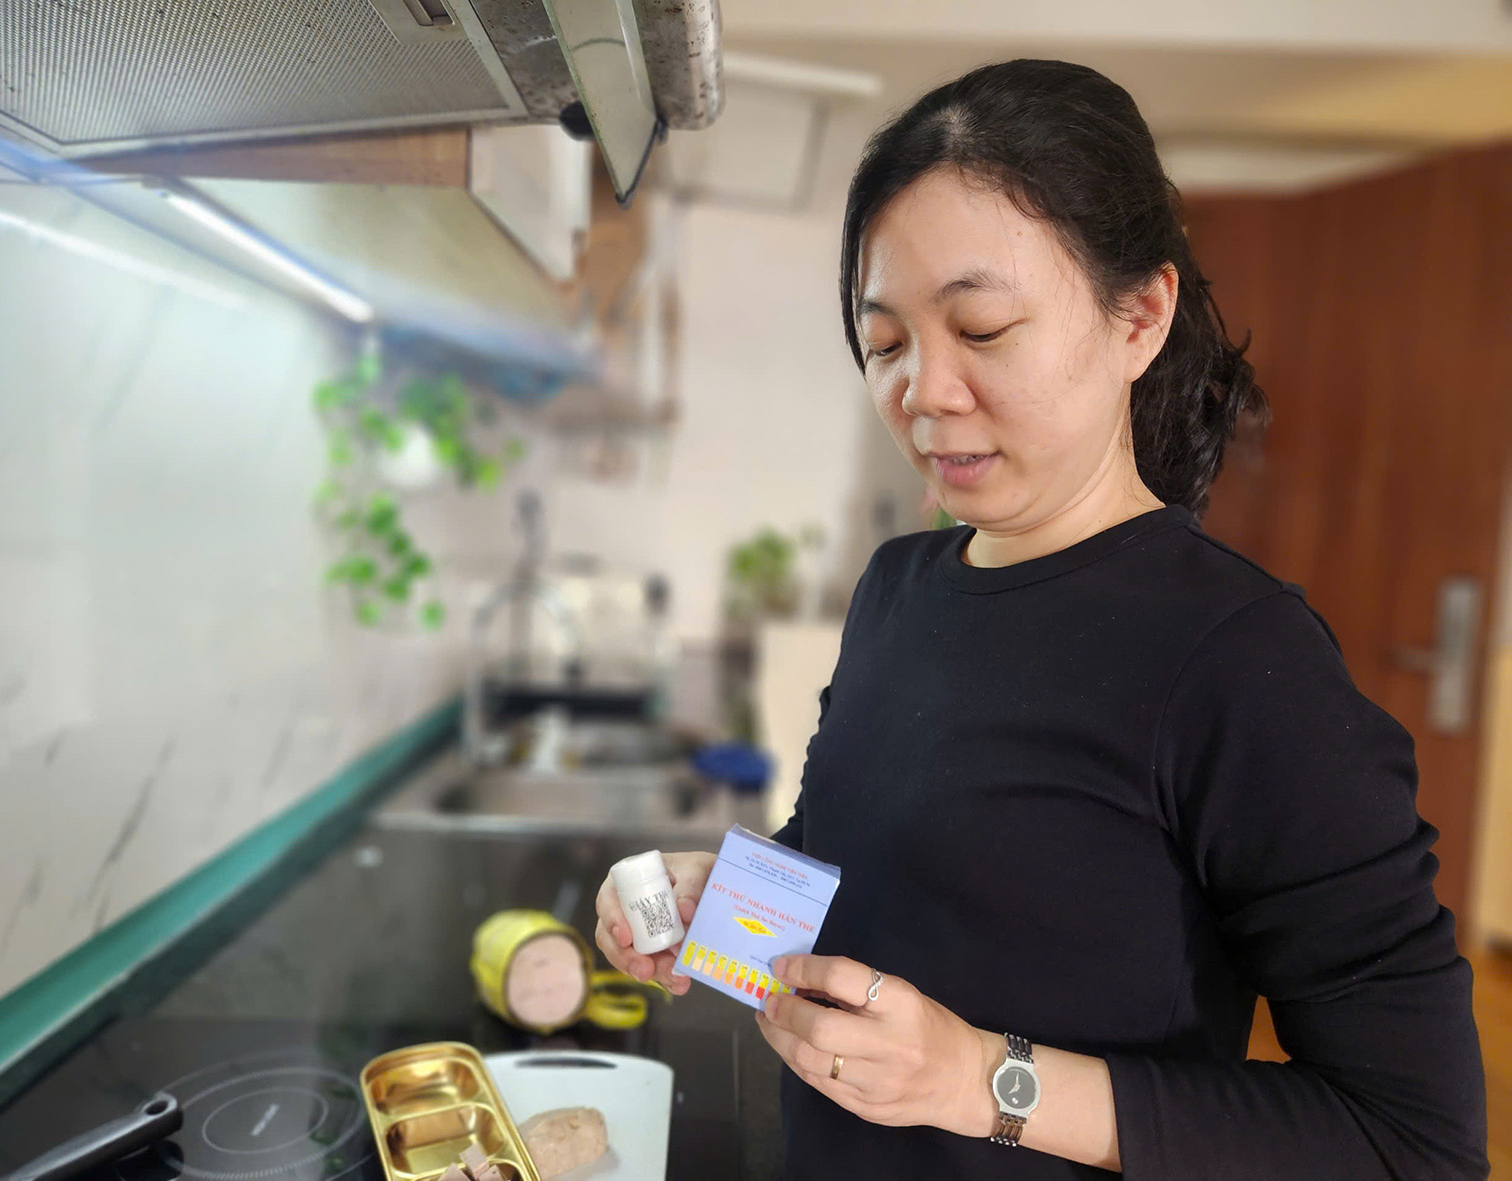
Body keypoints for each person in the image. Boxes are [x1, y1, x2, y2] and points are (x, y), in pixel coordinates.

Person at [593, 59, 1488, 1178]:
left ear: (1140, 318)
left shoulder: (1241, 660)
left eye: (982, 328)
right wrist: (723, 900)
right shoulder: (898, 588)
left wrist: (980, 1079)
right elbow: (860, 864)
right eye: (886, 343)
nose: (924, 391)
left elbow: (1411, 1138)